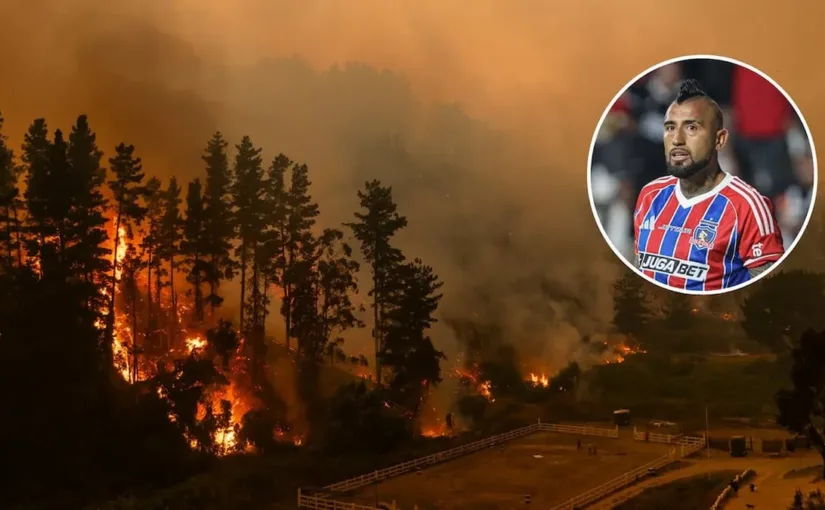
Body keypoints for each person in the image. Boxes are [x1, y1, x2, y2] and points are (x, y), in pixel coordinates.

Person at [633, 79, 784, 291]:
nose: (677, 139)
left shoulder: (747, 206)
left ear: (719, 139)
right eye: (670, 128)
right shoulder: (650, 195)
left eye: (691, 127)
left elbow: (771, 295)